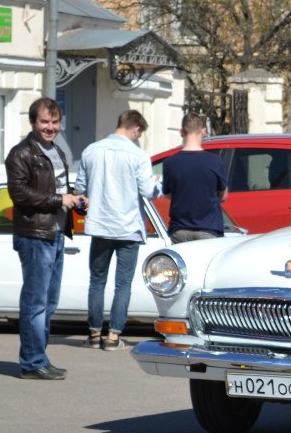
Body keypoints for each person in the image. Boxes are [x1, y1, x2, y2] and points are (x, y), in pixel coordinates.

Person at [5, 97, 86, 380]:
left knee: (49, 302)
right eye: (44, 122)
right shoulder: (21, 154)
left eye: (55, 122)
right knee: (35, 301)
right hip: (34, 234)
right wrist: (58, 199)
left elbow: (58, 188)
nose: (50, 127)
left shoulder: (55, 150)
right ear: (33, 122)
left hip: (56, 231)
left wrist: (74, 199)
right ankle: (32, 361)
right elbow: (20, 194)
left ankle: (40, 357)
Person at [75, 110, 161, 350]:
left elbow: (81, 187)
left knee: (97, 280)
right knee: (123, 284)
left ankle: (93, 333)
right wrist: (159, 186)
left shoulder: (91, 150)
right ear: (136, 129)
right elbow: (148, 191)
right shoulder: (138, 155)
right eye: (139, 133)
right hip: (128, 227)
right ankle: (113, 336)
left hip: (100, 225)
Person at [163, 113, 228, 244]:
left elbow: (168, 195)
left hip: (179, 229)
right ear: (203, 131)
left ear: (181, 132)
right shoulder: (215, 162)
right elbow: (223, 195)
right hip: (208, 228)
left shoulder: (170, 162)